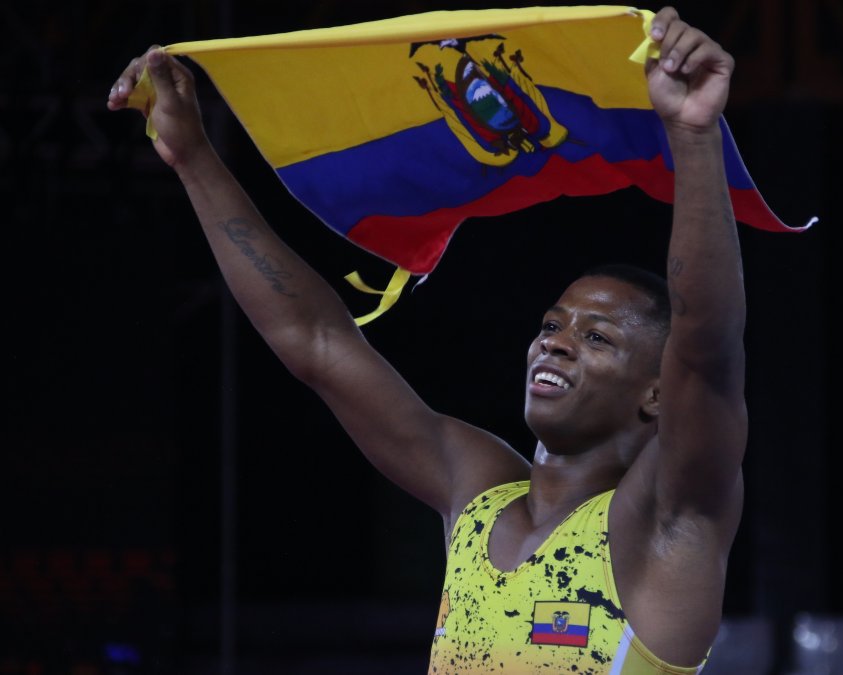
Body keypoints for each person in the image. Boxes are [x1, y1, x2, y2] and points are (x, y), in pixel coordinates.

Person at [110, 7, 748, 673]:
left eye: (596, 337)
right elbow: (317, 342)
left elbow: (707, 348)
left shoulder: (666, 521)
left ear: (657, 393)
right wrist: (193, 158)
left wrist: (693, 134)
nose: (555, 344)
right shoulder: (477, 492)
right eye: (551, 325)